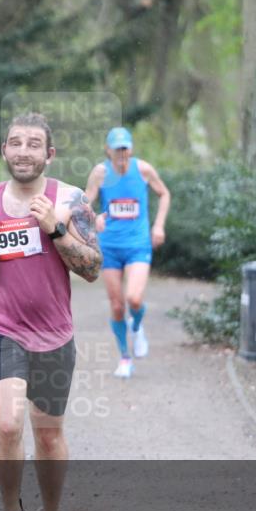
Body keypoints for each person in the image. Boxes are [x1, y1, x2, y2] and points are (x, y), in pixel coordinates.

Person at [0, 112, 102, 511]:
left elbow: (91, 268)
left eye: (33, 144)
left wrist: (56, 229)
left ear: (49, 154)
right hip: (1, 328)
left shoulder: (70, 200)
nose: (24, 151)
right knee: (7, 425)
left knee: (48, 435)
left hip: (53, 335)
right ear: (4, 150)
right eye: (15, 143)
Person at [84, 127, 170, 379]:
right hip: (109, 246)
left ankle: (138, 326)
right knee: (117, 305)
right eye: (117, 149)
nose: (121, 154)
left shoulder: (143, 169)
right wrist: (94, 218)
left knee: (134, 298)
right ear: (107, 150)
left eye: (125, 148)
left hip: (137, 245)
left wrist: (159, 225)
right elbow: (85, 204)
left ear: (130, 149)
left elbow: (164, 194)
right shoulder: (100, 173)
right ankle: (124, 357)